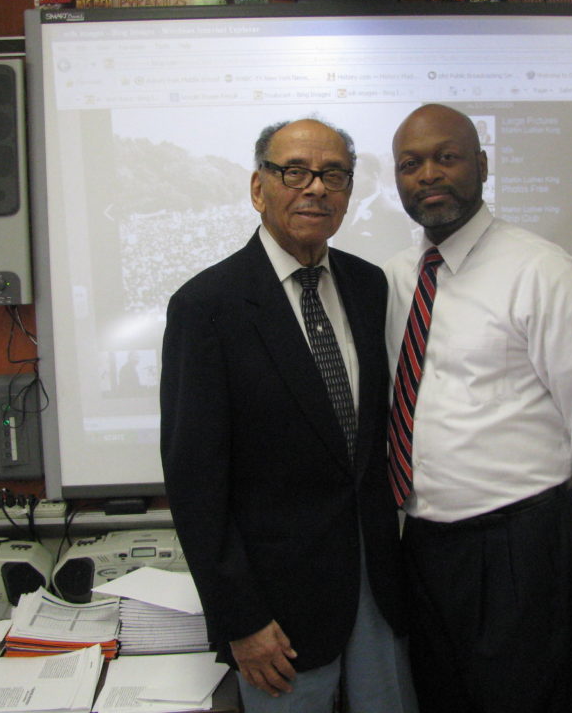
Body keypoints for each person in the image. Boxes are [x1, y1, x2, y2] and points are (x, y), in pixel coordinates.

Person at [160, 118, 416, 713]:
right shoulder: (206, 307)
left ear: (349, 193)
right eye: (294, 171)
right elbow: (194, 482)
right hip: (276, 612)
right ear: (258, 188)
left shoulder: (369, 285)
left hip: (377, 584)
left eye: (333, 175)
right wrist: (240, 618)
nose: (316, 188)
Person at [384, 103, 572, 713]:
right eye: (410, 164)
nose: (429, 175)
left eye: (448, 157)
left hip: (518, 548)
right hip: (421, 548)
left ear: (483, 165)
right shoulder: (394, 277)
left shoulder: (541, 272)